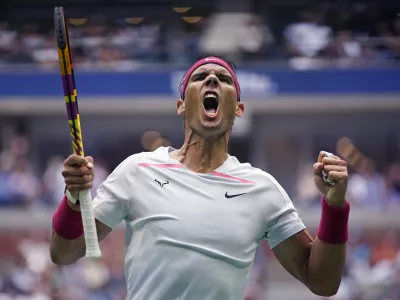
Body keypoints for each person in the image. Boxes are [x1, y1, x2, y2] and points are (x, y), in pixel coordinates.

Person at [50, 56, 350, 300]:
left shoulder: (262, 189)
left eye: (224, 79)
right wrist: (74, 198)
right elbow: (65, 252)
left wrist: (334, 206)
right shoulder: (137, 170)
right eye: (200, 77)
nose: (211, 79)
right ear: (181, 105)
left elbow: (323, 282)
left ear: (239, 109)